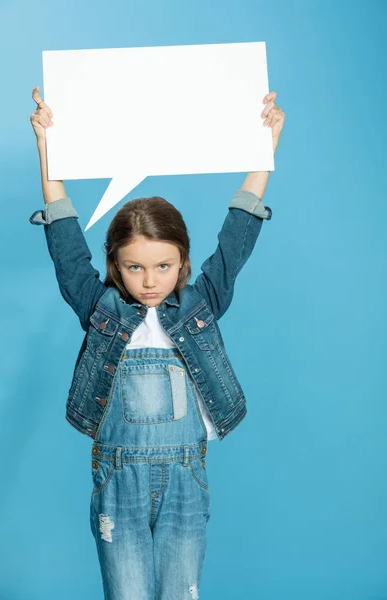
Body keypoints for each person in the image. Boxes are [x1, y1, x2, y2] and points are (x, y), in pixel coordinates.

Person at [29, 85, 285, 600]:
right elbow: (66, 247)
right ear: (115, 266)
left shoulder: (201, 304)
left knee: (180, 593)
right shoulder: (100, 308)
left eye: (164, 266)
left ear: (183, 263)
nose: (149, 280)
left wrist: (267, 146)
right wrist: (47, 148)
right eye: (134, 267)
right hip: (117, 481)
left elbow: (236, 238)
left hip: (186, 479)